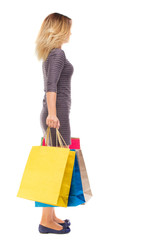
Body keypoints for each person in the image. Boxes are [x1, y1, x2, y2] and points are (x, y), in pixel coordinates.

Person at [35, 12, 74, 234]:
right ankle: (45, 222)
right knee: (54, 168)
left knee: (53, 165)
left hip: (56, 114)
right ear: (59, 29)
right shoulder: (57, 53)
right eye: (68, 27)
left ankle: (50, 216)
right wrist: (53, 114)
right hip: (56, 116)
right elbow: (51, 86)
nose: (71, 32)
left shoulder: (53, 54)